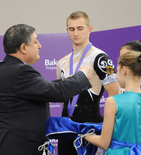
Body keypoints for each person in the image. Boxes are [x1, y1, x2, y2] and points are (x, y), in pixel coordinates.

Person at [0, 24, 93, 155]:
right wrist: (83, 75)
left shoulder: (8, 68)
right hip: (10, 148)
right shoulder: (19, 71)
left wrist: (67, 81)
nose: (40, 46)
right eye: (35, 41)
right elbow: (57, 92)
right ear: (23, 47)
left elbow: (40, 90)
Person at [56, 11, 120, 155]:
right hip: (66, 128)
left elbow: (115, 93)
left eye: (80, 28)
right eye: (71, 29)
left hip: (91, 128)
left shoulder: (100, 58)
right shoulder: (62, 62)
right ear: (67, 31)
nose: (75, 33)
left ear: (89, 29)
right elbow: (63, 97)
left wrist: (107, 128)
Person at [84, 51, 141, 154]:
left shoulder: (113, 101)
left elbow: (104, 143)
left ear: (124, 70)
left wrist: (83, 134)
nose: (116, 75)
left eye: (117, 70)